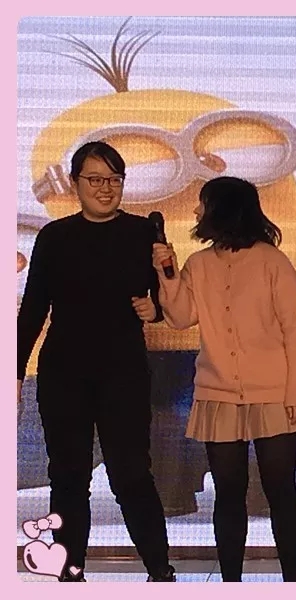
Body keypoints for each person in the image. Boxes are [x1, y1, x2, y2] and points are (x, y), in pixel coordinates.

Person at [16, 141, 176, 582]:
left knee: (131, 474)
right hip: (63, 374)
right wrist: (14, 371)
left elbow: (169, 300)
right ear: (75, 183)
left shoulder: (144, 233)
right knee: (68, 478)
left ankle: (160, 571)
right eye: (95, 179)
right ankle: (70, 573)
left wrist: (156, 308)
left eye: (114, 179)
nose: (105, 188)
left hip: (123, 373)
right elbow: (33, 309)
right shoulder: (54, 236)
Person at [152, 176, 296, 582]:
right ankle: (230, 582)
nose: (196, 211)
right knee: (228, 493)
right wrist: (167, 276)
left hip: (275, 393)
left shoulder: (273, 262)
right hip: (218, 391)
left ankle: (293, 579)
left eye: (202, 203)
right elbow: (181, 317)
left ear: (223, 208)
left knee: (280, 489)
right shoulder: (199, 263)